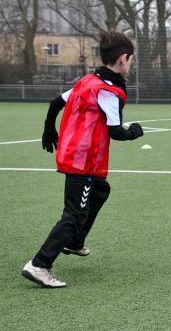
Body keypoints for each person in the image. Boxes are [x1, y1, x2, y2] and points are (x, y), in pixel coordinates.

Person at [22, 30, 144, 288]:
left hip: (73, 154)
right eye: (131, 59)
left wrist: (49, 128)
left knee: (101, 190)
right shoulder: (108, 90)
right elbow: (115, 132)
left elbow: (56, 102)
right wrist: (134, 132)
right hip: (84, 161)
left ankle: (75, 242)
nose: (131, 63)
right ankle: (40, 264)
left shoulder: (88, 81)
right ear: (123, 59)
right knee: (74, 215)